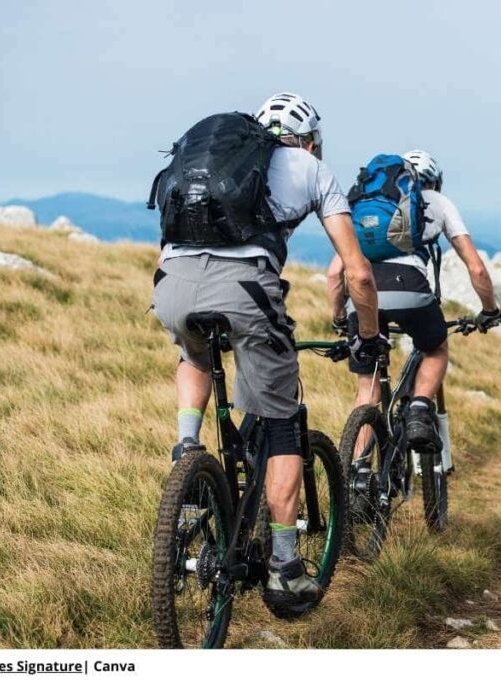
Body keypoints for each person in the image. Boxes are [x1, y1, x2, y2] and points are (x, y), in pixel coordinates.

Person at [152, 92, 385, 611]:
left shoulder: (209, 163)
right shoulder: (310, 168)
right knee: (282, 425)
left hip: (171, 287)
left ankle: (187, 446)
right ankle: (284, 568)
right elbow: (358, 272)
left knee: (194, 356)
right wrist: (367, 337)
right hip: (245, 291)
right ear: (310, 141)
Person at [327, 149, 501, 452]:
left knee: (367, 390)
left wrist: (340, 317)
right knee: (435, 348)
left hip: (363, 295)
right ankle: (420, 409)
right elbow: (476, 268)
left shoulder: (367, 206)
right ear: (434, 181)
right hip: (410, 289)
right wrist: (489, 310)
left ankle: (356, 470)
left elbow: (333, 274)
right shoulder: (438, 201)